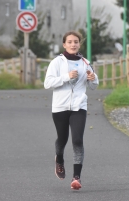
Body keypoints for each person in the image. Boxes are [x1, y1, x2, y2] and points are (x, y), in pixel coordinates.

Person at [44, 31, 99, 190]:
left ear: (79, 44)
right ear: (64, 45)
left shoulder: (85, 63)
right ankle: (59, 159)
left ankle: (77, 178)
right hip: (60, 107)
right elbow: (47, 83)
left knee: (77, 140)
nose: (73, 44)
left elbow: (94, 86)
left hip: (79, 106)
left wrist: (93, 78)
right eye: (70, 42)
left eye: (76, 41)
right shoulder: (57, 62)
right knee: (62, 139)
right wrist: (66, 76)